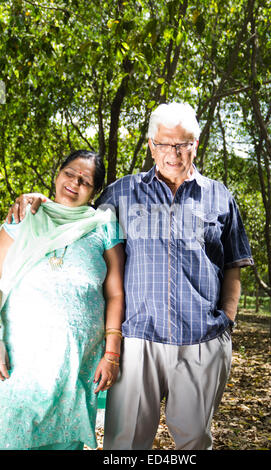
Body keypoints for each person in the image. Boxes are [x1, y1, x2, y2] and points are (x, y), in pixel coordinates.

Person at [7, 102, 253, 450]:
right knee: (124, 444)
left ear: (196, 144)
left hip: (202, 340)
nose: (174, 152)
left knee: (196, 440)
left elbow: (233, 266)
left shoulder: (220, 196)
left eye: (183, 143)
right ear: (152, 144)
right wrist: (39, 201)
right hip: (137, 340)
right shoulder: (121, 192)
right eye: (165, 143)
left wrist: (226, 323)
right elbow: (77, 221)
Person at [0, 150, 124, 450]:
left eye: (86, 180)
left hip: (77, 365)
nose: (75, 182)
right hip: (20, 362)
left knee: (64, 442)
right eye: (70, 173)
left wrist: (112, 355)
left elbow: (116, 293)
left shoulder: (102, 225)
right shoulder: (24, 216)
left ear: (94, 191)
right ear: (58, 174)